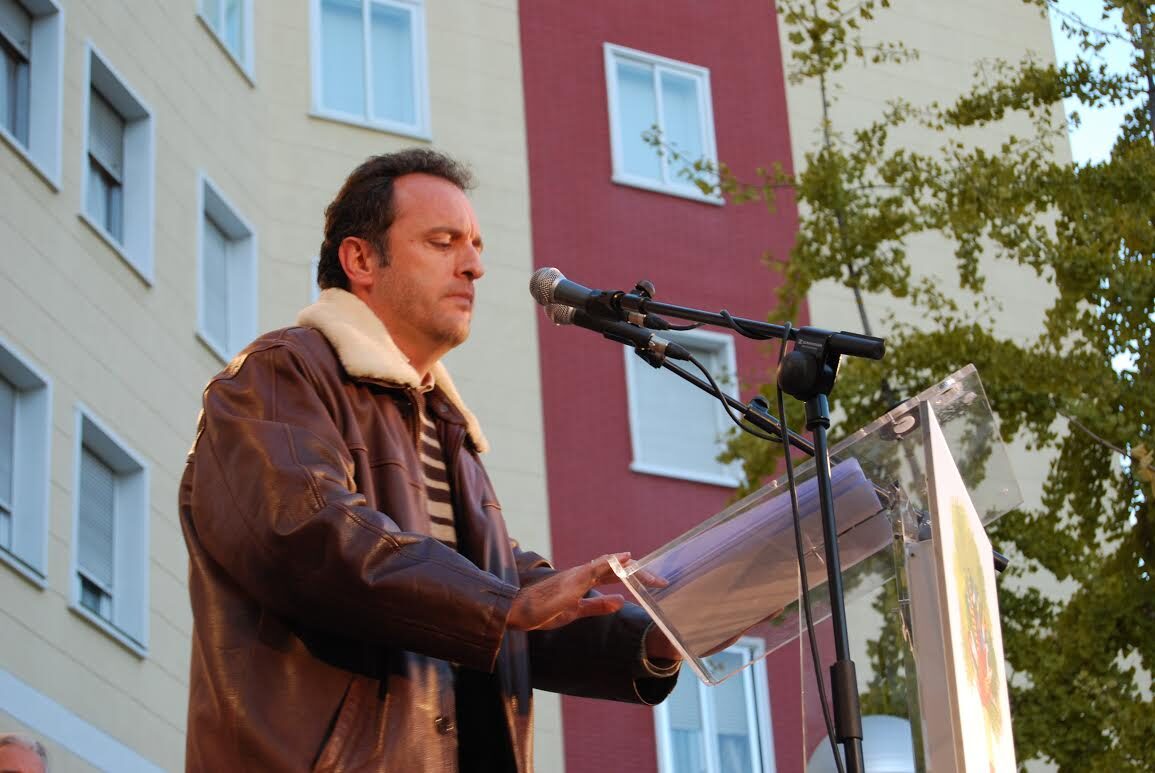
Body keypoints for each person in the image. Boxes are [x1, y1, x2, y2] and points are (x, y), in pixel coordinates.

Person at [179, 148, 681, 771]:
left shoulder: (445, 426)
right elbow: (309, 535)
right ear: (361, 260)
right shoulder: (279, 375)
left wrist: (657, 636)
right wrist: (503, 604)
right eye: (443, 243)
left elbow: (503, 596)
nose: (474, 267)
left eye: (475, 247)